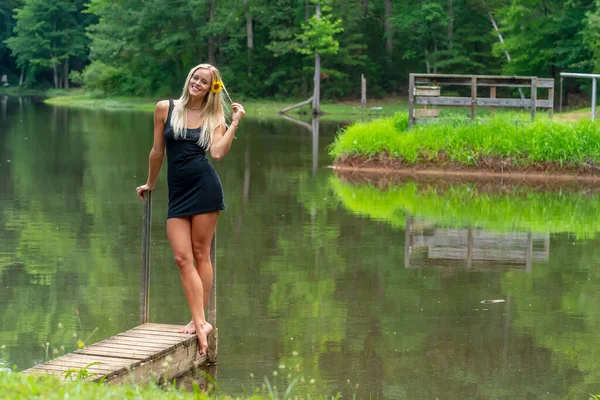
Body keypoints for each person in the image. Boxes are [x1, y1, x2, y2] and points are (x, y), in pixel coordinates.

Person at [136, 64, 245, 357]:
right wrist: (150, 183)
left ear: (212, 88)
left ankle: (199, 320)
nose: (197, 82)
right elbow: (157, 151)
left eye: (204, 81)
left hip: (205, 188)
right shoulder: (164, 108)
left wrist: (234, 121)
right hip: (178, 193)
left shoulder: (214, 115)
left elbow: (218, 152)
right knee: (182, 257)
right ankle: (200, 320)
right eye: (195, 77)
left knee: (200, 254)